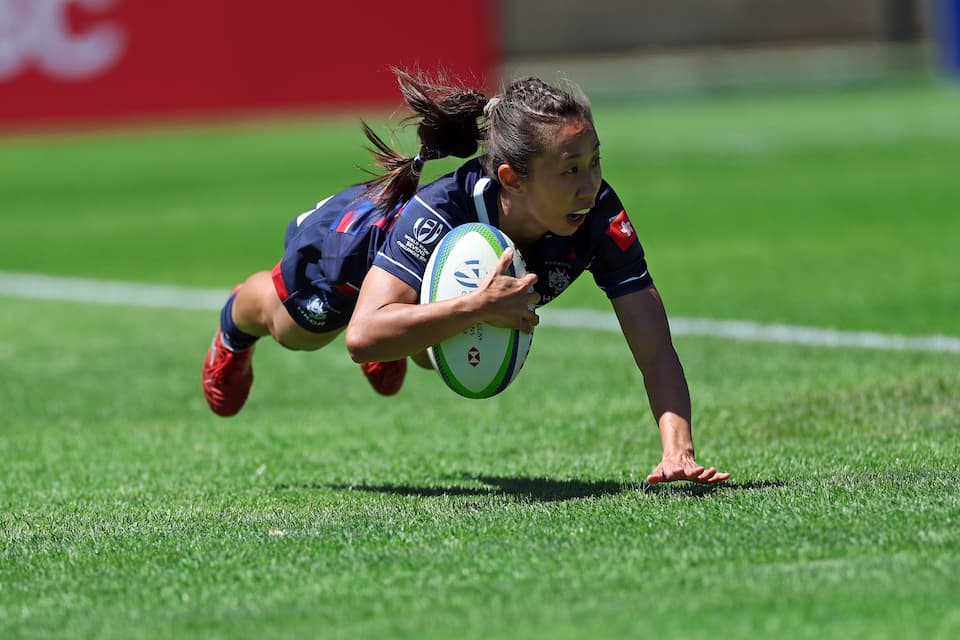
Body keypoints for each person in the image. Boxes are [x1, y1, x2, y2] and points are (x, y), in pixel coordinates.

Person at [201, 69, 730, 486]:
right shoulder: (442, 208)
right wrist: (476, 307)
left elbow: (654, 345)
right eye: (569, 169)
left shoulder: (596, 212)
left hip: (413, 297)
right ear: (511, 179)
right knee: (299, 331)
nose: (588, 184)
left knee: (456, 351)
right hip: (356, 251)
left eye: (594, 162)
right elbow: (361, 339)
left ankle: (408, 336)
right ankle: (234, 322)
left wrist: (676, 453)